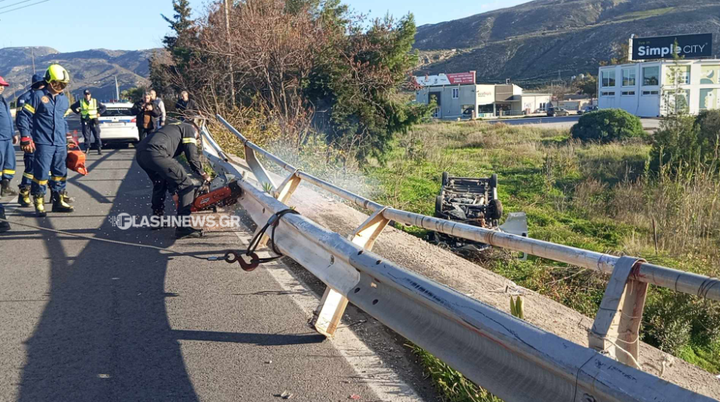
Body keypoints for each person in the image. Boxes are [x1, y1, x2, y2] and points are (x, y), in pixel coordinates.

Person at [17, 64, 75, 217]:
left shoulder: (64, 100)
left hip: (60, 142)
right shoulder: (37, 96)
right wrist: (25, 137)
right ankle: (39, 201)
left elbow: (63, 121)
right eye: (57, 83)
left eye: (63, 84)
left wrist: (68, 137)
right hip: (43, 142)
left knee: (60, 172)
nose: (60, 87)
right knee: (41, 173)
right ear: (49, 81)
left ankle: (58, 200)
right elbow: (23, 117)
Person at [135, 120, 210, 239]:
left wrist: (173, 191)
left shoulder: (174, 127)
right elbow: (191, 155)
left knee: (160, 183)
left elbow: (169, 175)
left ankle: (157, 219)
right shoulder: (189, 129)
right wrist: (202, 173)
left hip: (141, 153)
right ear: (197, 129)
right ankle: (183, 227)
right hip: (156, 152)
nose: (197, 140)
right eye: (197, 138)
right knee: (187, 186)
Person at [15, 74, 45, 206]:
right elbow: (22, 119)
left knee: (46, 167)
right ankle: (24, 193)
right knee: (31, 166)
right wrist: (26, 137)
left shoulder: (45, 97)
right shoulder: (25, 98)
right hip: (32, 137)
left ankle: (53, 193)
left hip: (44, 137)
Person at [0, 75, 17, 233]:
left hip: (6, 138)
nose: (1, 87)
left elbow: (7, 120)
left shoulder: (3, 100)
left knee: (9, 165)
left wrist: (13, 133)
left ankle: (5, 185)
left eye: (3, 85)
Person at [71, 89, 106, 155]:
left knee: (97, 135)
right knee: (86, 136)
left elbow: (104, 107)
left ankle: (99, 149)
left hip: (94, 120)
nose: (87, 96)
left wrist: (99, 113)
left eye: (88, 94)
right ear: (84, 95)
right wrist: (78, 112)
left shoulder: (95, 101)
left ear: (90, 95)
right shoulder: (81, 102)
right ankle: (87, 149)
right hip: (85, 120)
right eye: (86, 94)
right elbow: (72, 107)